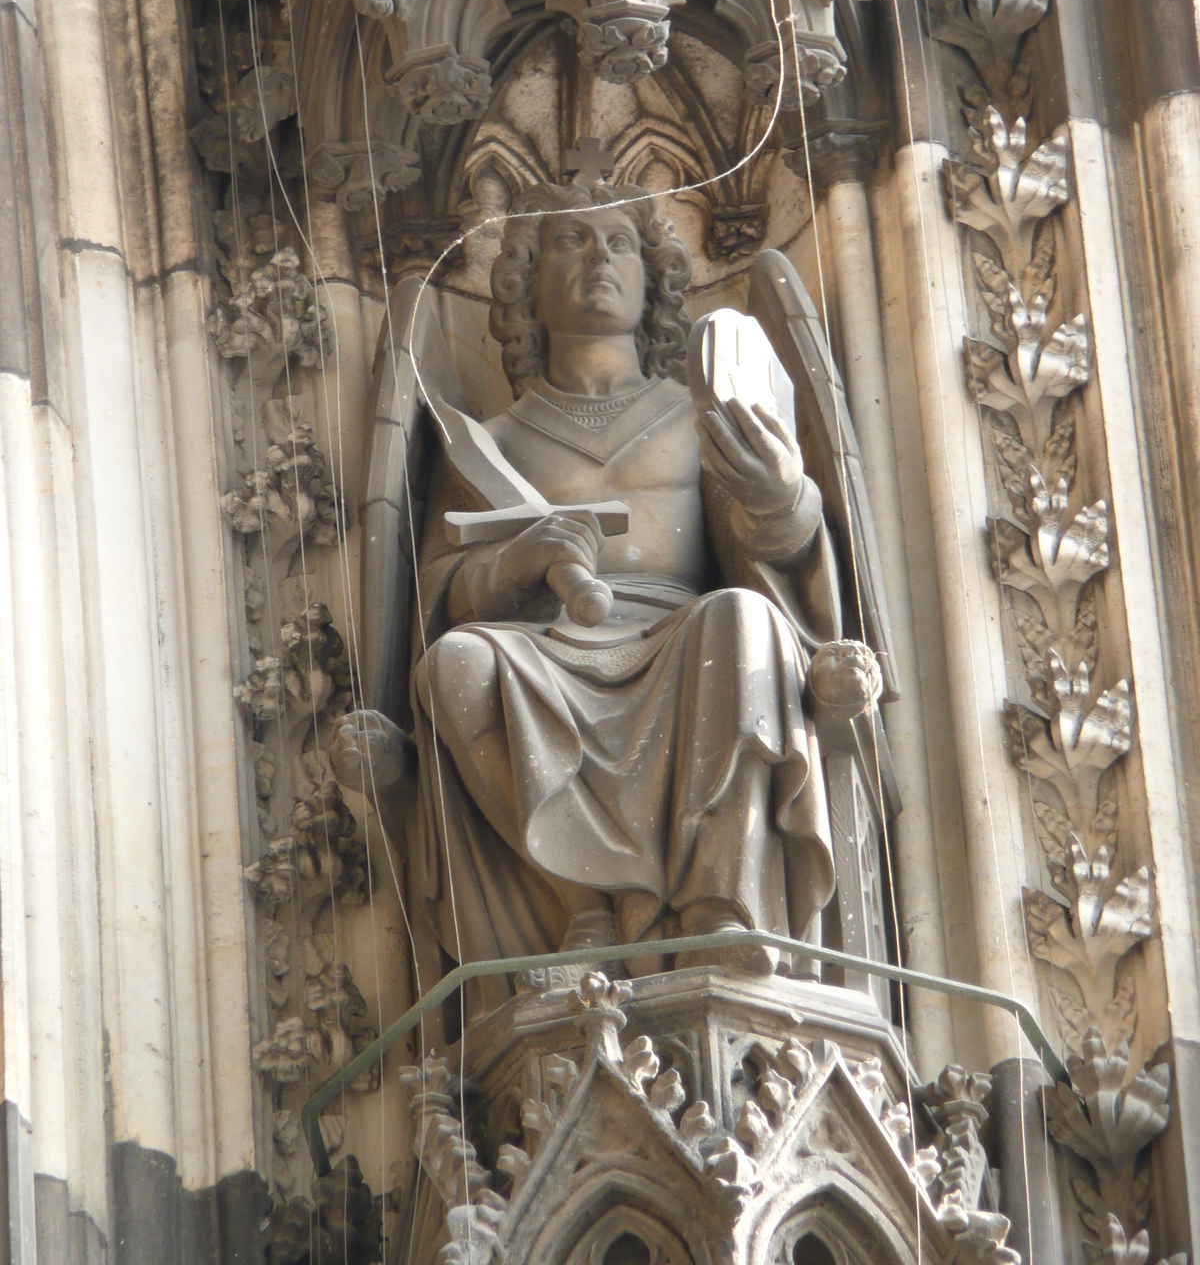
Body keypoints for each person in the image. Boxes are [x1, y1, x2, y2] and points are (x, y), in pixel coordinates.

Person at [336, 182, 844, 1007]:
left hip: (684, 637)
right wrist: (517, 562)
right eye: (570, 242)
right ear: (525, 286)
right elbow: (443, 593)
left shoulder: (695, 414)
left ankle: (722, 903)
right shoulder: (491, 441)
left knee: (745, 620)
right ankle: (586, 908)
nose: (598, 259)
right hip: (549, 647)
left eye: (618, 244)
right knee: (454, 669)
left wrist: (783, 496)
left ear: (655, 282)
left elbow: (772, 561)